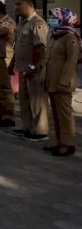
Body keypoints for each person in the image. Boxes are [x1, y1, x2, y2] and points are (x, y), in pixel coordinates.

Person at [8, 0, 49, 142]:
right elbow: (18, 46)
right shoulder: (22, 23)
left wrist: (34, 66)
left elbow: (40, 48)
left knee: (37, 100)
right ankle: (27, 127)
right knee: (25, 100)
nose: (16, 7)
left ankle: (40, 131)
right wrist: (12, 63)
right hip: (23, 68)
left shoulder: (38, 23)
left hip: (34, 69)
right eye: (16, 4)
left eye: (19, 4)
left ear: (30, 5)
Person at [43, 8, 80, 157]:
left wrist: (63, 82)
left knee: (65, 115)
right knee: (57, 115)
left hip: (62, 84)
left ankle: (67, 144)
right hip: (52, 81)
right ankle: (58, 141)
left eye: (55, 17)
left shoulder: (70, 38)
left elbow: (71, 62)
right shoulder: (56, 36)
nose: (52, 19)